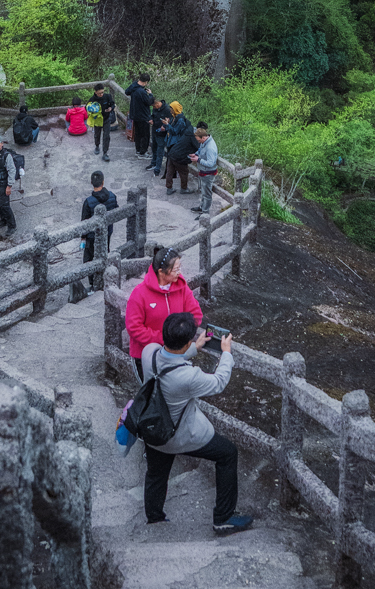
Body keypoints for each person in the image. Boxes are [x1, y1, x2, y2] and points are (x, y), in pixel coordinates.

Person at [138, 312, 253, 535]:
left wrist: (193, 348)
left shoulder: (148, 352)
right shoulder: (188, 377)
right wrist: (226, 354)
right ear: (186, 342)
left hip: (152, 429)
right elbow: (218, 382)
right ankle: (223, 518)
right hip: (178, 435)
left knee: (156, 473)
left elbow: (168, 358)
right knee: (228, 453)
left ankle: (155, 520)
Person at [125, 244, 204, 379]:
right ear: (161, 272)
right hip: (146, 357)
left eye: (180, 267)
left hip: (176, 354)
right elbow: (134, 328)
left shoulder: (182, 287)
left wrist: (180, 337)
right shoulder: (139, 293)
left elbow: (196, 315)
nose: (180, 272)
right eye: (176, 269)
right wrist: (166, 340)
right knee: (152, 390)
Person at [74, 170, 118, 301]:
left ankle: (94, 283)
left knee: (89, 258)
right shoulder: (112, 196)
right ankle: (105, 277)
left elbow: (85, 222)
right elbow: (116, 211)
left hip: (92, 236)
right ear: (103, 182)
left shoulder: (89, 202)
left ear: (91, 183)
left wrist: (83, 238)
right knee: (105, 252)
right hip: (107, 232)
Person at [164, 102, 195, 194]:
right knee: (181, 170)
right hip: (176, 147)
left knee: (170, 169)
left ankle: (169, 188)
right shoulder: (175, 118)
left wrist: (167, 125)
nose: (170, 110)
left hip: (174, 146)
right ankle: (183, 188)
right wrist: (168, 124)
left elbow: (175, 131)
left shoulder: (180, 120)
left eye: (171, 109)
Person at [189, 122, 219, 213]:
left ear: (203, 137)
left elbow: (210, 163)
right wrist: (196, 154)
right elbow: (200, 150)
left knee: (207, 194)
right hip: (203, 171)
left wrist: (198, 159)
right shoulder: (204, 142)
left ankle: (205, 212)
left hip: (208, 173)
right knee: (204, 191)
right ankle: (202, 207)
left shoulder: (210, 148)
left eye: (199, 140)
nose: (198, 142)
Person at [126, 72, 153, 156]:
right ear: (146, 82)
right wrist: (150, 94)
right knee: (145, 135)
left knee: (137, 134)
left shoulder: (134, 87)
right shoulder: (142, 92)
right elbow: (149, 102)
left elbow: (127, 91)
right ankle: (143, 152)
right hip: (143, 116)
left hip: (135, 115)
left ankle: (138, 150)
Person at [149, 95, 171, 178]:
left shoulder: (167, 110)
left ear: (158, 103)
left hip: (162, 134)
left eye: (154, 106)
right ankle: (153, 163)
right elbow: (152, 115)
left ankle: (157, 168)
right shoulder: (155, 109)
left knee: (160, 150)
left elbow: (170, 120)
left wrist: (164, 126)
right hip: (154, 130)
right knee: (153, 147)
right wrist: (151, 119)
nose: (154, 108)